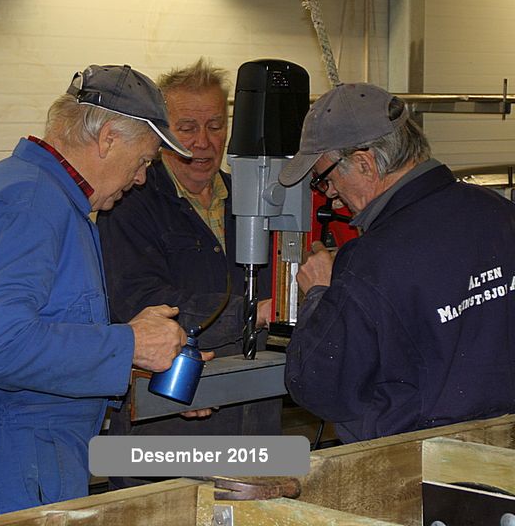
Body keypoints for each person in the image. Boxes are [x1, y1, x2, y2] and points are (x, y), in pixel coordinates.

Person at [0, 64, 191, 523]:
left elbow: (42, 331)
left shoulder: (28, 189)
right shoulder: (33, 203)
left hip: (19, 455)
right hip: (18, 461)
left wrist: (134, 355)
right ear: (108, 139)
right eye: (144, 160)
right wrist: (128, 344)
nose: (141, 178)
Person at [279, 82, 515, 444]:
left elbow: (319, 387)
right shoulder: (501, 212)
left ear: (364, 164)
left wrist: (319, 296)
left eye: (325, 180)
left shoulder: (371, 259)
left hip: (422, 461)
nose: (332, 197)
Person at [97, 58, 281, 489]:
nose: (203, 142)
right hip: (166, 432)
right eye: (187, 128)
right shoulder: (129, 202)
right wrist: (253, 313)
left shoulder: (254, 200)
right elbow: (140, 302)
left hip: (255, 422)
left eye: (215, 126)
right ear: (163, 131)